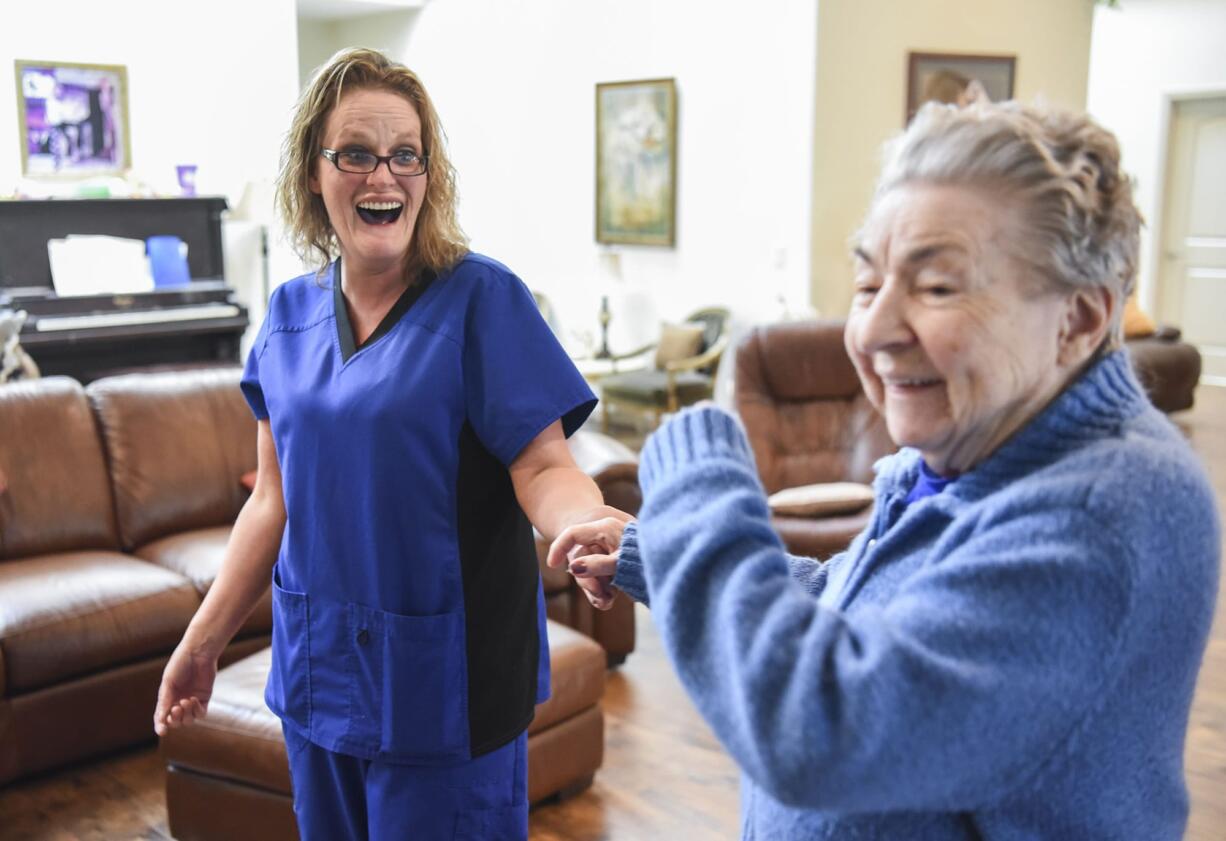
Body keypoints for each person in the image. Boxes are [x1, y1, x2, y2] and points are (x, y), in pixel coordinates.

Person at [552, 100, 1221, 839]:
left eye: (937, 287)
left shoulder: (1105, 509)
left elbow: (816, 729)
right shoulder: (979, 451)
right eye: (869, 286)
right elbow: (865, 609)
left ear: (1080, 319)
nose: (871, 330)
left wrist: (699, 482)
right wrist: (663, 553)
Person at [154, 47, 628, 841]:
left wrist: (584, 521)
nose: (385, 177)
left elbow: (544, 464)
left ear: (428, 173)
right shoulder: (287, 317)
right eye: (358, 155)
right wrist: (201, 641)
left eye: (406, 155)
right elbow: (273, 499)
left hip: (446, 687)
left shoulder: (485, 300)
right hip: (318, 677)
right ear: (315, 171)